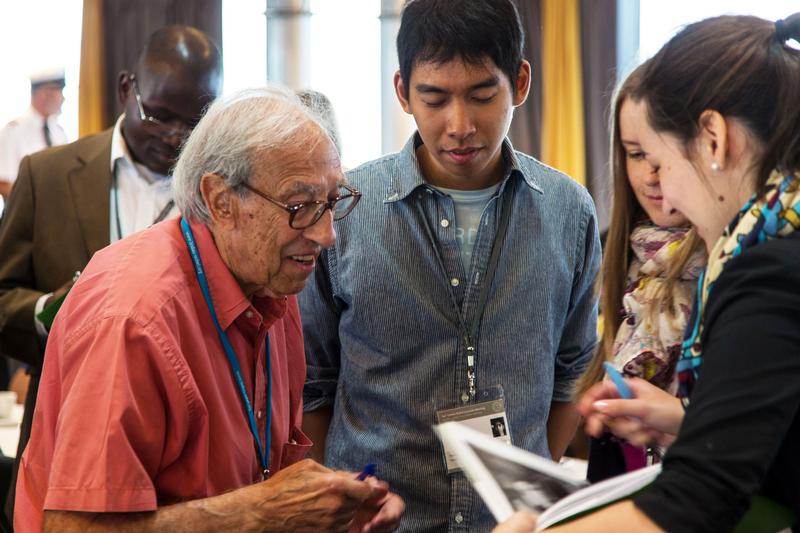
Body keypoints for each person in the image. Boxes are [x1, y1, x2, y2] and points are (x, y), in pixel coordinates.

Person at [14, 85, 404, 532]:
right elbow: (73, 528)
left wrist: (331, 505)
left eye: (332, 202)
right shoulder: (133, 319)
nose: (327, 234)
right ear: (220, 200)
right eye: (300, 206)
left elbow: (258, 475)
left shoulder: (273, 285)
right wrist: (261, 513)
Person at [300, 0, 601, 530]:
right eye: (434, 99)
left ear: (521, 82)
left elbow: (572, 370)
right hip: (381, 521)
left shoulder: (567, 210)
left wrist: (522, 487)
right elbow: (312, 382)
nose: (459, 125)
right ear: (402, 92)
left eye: (483, 95)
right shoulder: (347, 208)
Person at [496, 11, 800, 533]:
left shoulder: (770, 272)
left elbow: (695, 502)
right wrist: (686, 423)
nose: (667, 194)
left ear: (712, 139)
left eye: (663, 160)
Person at [0, 25, 223, 523]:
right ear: (127, 88)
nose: (175, 137)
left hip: (184, 460)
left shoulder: (222, 197)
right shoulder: (47, 175)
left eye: (196, 123)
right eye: (159, 116)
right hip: (59, 445)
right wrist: (46, 312)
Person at [572, 66, 705, 481]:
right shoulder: (622, 254)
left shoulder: (741, 263)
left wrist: (675, 418)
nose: (651, 174)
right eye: (635, 153)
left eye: (661, 153)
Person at [0, 69, 68, 199]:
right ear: (44, 94)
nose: (63, 99)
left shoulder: (59, 132)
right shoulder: (12, 132)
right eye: (59, 92)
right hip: (24, 215)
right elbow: (3, 182)